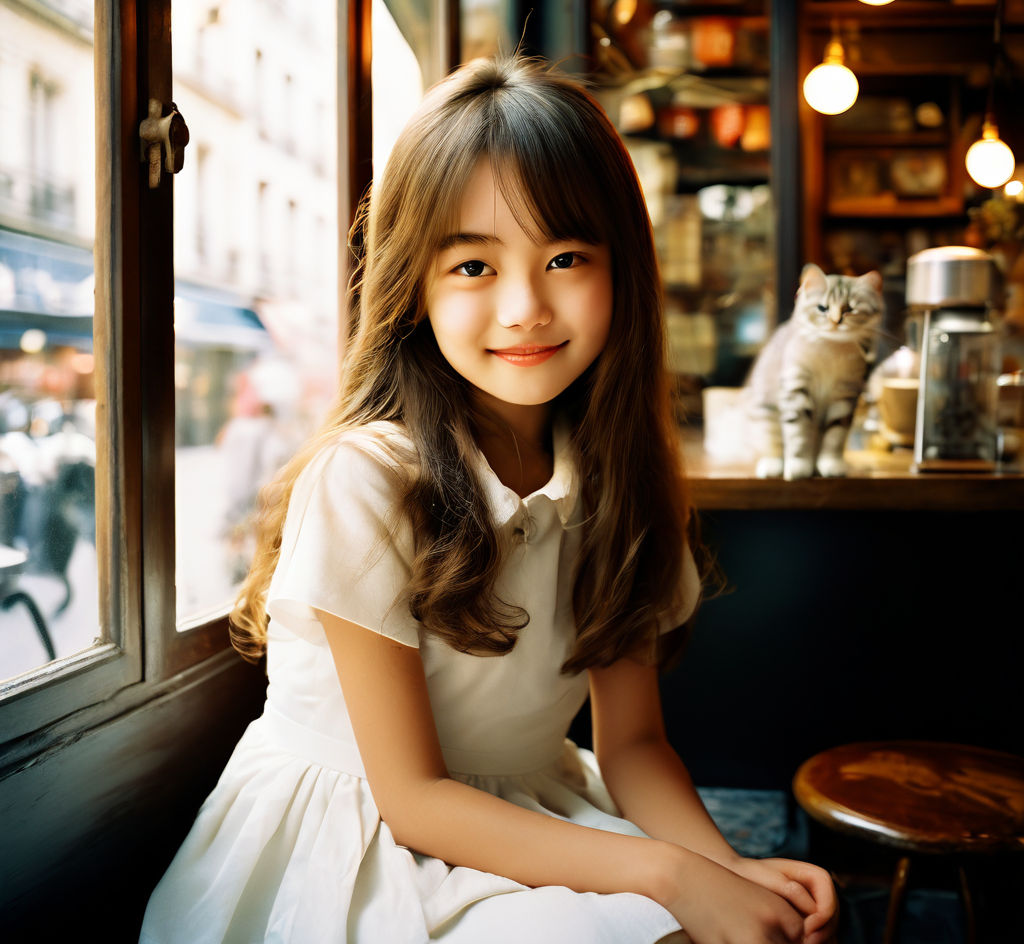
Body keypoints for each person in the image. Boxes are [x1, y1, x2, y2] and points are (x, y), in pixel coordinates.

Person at [140, 55, 838, 944]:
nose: (524, 307)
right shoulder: (368, 478)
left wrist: (730, 875)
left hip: (531, 812)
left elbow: (632, 747)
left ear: (623, 271)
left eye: (565, 257)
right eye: (473, 265)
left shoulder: (616, 479)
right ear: (412, 286)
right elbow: (415, 800)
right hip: (360, 844)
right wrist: (672, 874)